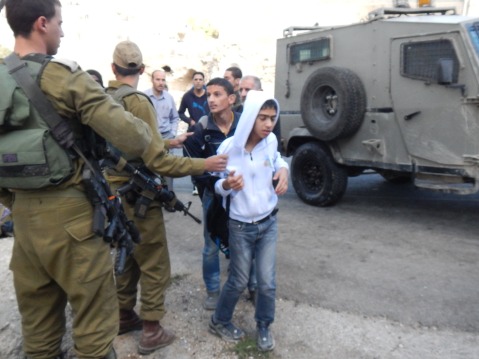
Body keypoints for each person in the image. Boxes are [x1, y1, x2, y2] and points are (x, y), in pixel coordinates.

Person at [0, 1, 227, 358]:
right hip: (72, 219)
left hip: (25, 224)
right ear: (42, 23)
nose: (63, 30)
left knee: (40, 337)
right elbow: (138, 141)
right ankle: (148, 329)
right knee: (93, 331)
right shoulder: (63, 77)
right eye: (60, 22)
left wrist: (16, 202)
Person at [208, 90, 289, 352]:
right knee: (239, 280)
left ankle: (264, 325)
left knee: (267, 281)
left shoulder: (272, 141)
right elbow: (213, 185)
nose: (268, 124)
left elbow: (277, 161)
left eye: (272, 118)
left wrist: (284, 171)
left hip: (268, 223)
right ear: (251, 117)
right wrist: (228, 184)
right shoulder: (229, 149)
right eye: (262, 118)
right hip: (240, 226)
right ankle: (219, 320)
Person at [183, 78, 241, 310]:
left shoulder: (244, 125)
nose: (211, 99)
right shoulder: (201, 128)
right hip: (213, 195)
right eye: (209, 95)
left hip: (241, 194)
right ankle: (213, 291)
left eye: (217, 94)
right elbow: (195, 166)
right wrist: (214, 186)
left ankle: (247, 285)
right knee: (211, 243)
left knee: (243, 241)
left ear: (231, 99)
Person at [143, 69, 180, 190]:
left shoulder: (169, 98)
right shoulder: (144, 97)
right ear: (152, 80)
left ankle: (169, 196)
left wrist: (173, 134)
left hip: (166, 136)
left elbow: (175, 117)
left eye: (163, 79)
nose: (160, 82)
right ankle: (153, 196)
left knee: (169, 168)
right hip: (150, 138)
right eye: (157, 79)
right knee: (150, 167)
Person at [178, 71, 210, 195]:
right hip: (193, 131)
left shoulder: (209, 95)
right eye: (196, 79)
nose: (198, 81)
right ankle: (195, 185)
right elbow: (180, 112)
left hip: (208, 130)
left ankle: (207, 182)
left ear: (203, 81)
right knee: (193, 159)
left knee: (207, 156)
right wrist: (189, 120)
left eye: (200, 79)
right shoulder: (187, 96)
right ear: (193, 81)